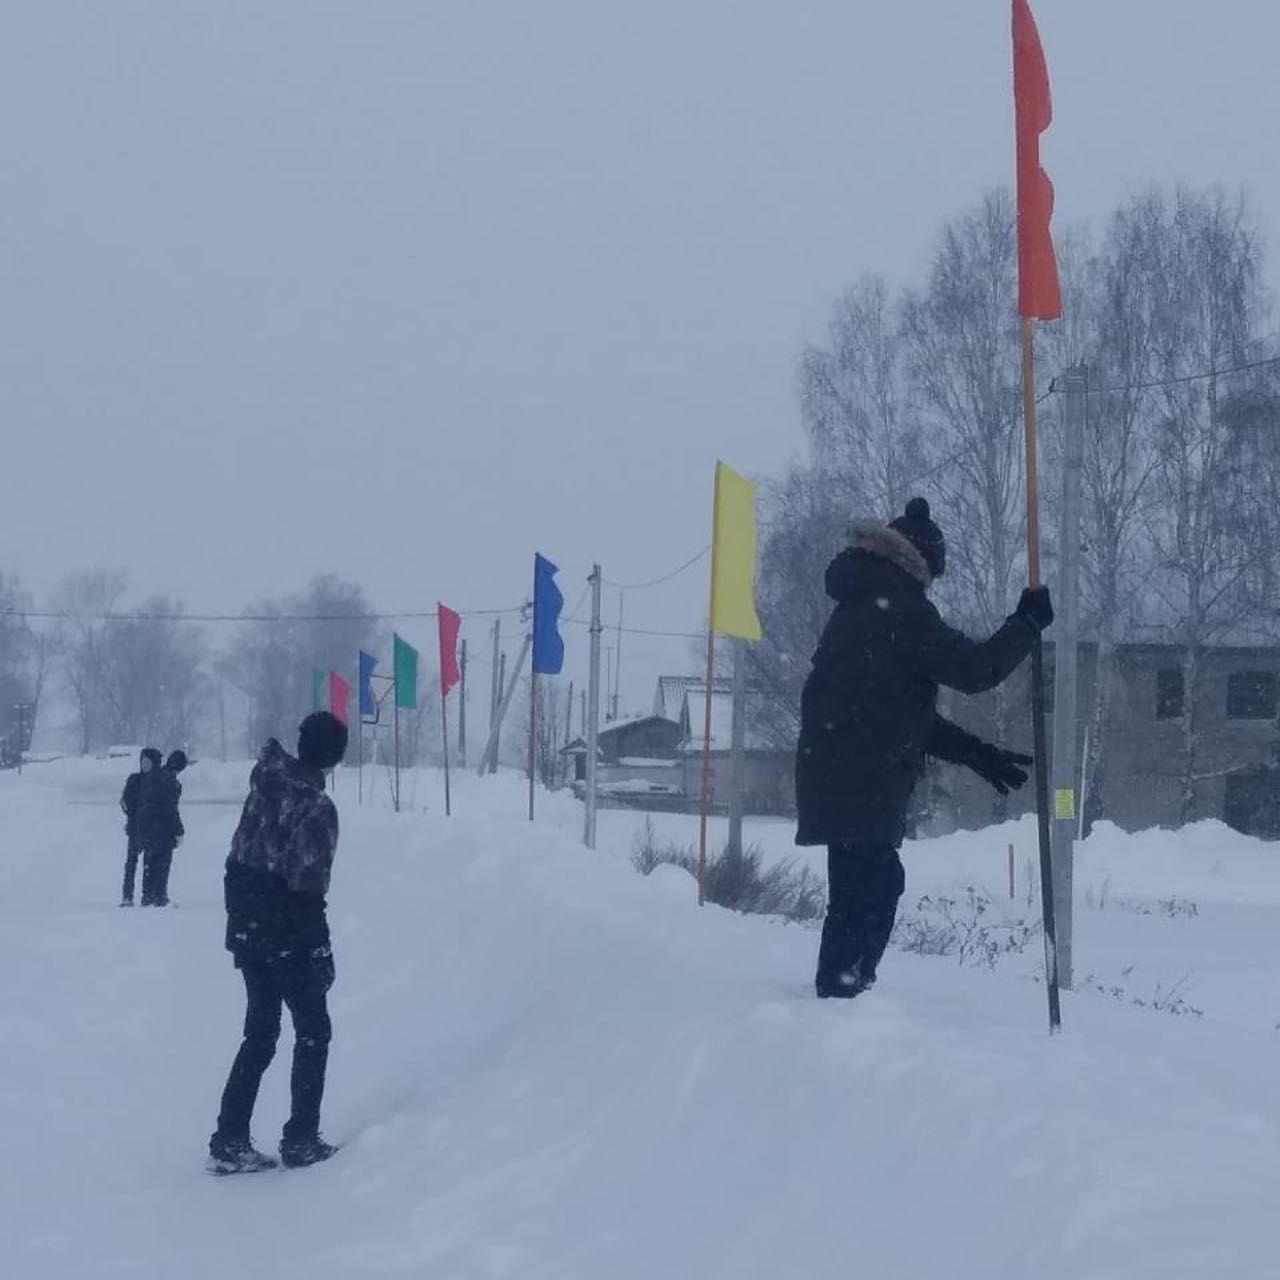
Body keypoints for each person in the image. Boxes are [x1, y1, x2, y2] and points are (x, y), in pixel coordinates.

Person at [795, 497, 1054, 999]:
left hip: (837, 772)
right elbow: (976, 669)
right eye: (933, 572)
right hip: (863, 779)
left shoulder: (858, 605)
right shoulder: (898, 608)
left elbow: (896, 716)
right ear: (920, 562)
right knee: (870, 889)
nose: (931, 583)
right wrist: (1025, 624)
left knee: (861, 889)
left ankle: (844, 992)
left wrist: (979, 753)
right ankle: (841, 995)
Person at [208, 711, 348, 1174]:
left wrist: (245, 924)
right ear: (334, 758)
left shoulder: (265, 784)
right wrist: (320, 949)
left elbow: (238, 860)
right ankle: (302, 1138)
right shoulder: (316, 808)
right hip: (287, 934)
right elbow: (307, 887)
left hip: (248, 926)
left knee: (261, 1033)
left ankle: (230, 1138)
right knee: (313, 1031)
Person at [136, 749, 187, 906]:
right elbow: (171, 808)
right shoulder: (171, 782)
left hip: (147, 824)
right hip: (163, 827)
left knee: (149, 860)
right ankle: (160, 895)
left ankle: (147, 895)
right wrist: (179, 830)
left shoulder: (154, 775)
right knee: (163, 861)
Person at [119, 748, 162, 906]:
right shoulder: (134, 780)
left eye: (147, 762)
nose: (144, 765)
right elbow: (124, 802)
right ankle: (127, 896)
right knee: (131, 863)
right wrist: (131, 812)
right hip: (135, 827)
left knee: (149, 863)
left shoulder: (158, 782)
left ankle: (147, 895)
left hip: (152, 829)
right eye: (142, 761)